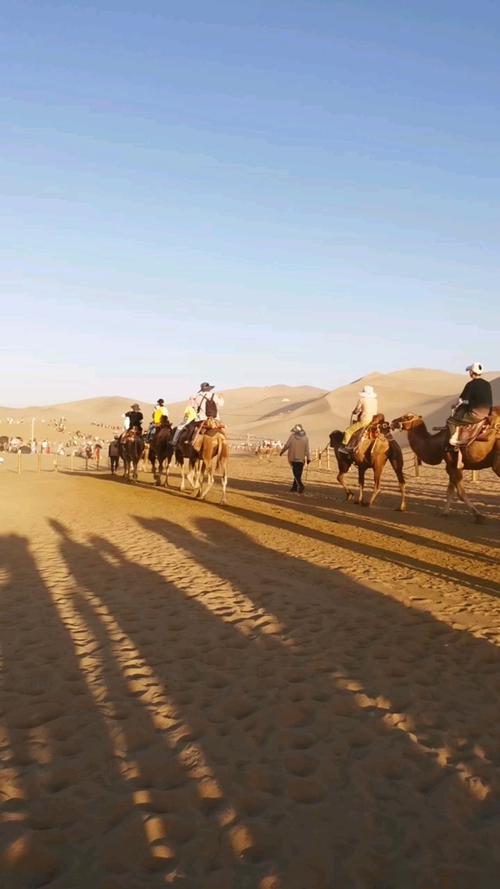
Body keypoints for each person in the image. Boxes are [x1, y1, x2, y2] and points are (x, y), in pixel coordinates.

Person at [448, 363, 493, 446]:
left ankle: (454, 445)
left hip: (475, 415)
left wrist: (456, 405)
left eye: (470, 371)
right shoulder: (487, 384)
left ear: (472, 372)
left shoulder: (470, 384)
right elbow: (490, 400)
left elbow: (463, 400)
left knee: (451, 421)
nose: (469, 373)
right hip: (486, 415)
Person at [172, 383, 224, 448]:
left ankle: (188, 440)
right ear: (209, 389)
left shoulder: (197, 396)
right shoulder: (214, 395)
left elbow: (193, 407)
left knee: (191, 427)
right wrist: (221, 397)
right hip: (215, 419)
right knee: (221, 429)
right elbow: (221, 404)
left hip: (201, 419)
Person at [338, 384, 378, 456]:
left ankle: (345, 448)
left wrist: (354, 412)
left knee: (348, 431)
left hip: (364, 421)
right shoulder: (375, 400)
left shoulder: (362, 399)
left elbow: (357, 410)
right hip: (373, 421)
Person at [280, 424, 311, 493]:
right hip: (301, 459)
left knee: (295, 473)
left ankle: (300, 485)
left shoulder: (292, 437)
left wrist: (282, 451)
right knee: (298, 473)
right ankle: (294, 487)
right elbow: (307, 449)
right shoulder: (306, 438)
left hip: (293, 458)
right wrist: (308, 458)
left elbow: (287, 445)